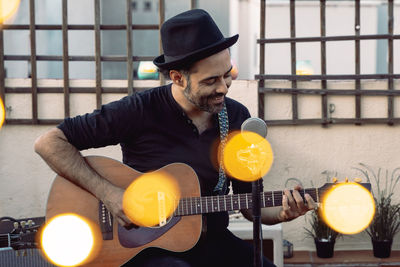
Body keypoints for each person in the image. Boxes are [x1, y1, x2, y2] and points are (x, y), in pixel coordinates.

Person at [34, 9, 315, 267]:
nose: (223, 88)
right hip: (143, 247)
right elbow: (49, 143)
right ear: (178, 77)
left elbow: (248, 205)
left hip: (211, 241)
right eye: (210, 81)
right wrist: (108, 193)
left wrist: (281, 213)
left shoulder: (237, 118)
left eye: (226, 75)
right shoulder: (139, 110)